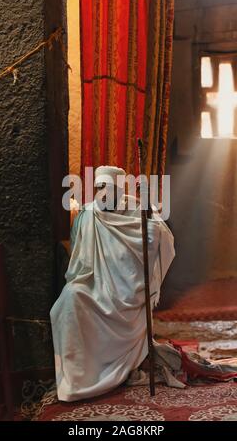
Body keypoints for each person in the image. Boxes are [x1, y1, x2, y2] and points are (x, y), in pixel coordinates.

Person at [50, 165, 175, 402]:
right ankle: (76, 378)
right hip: (93, 282)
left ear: (119, 189)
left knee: (98, 298)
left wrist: (148, 209)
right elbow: (78, 254)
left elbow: (154, 246)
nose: (103, 193)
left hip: (126, 289)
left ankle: (110, 371)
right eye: (98, 188)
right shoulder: (88, 215)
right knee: (69, 298)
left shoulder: (136, 210)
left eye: (107, 188)